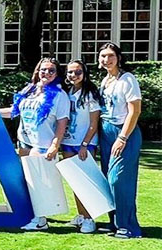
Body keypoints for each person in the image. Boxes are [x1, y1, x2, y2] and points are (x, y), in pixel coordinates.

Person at [0, 57, 70, 230]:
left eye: (51, 70)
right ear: (37, 71)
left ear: (57, 74)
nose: (46, 73)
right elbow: (15, 111)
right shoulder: (29, 90)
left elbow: (62, 122)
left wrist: (55, 145)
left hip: (42, 143)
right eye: (43, 69)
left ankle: (41, 220)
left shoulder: (60, 96)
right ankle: (30, 214)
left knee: (38, 181)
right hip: (24, 141)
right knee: (25, 180)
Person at [97, 42, 143, 238]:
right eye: (103, 56)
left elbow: (135, 110)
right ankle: (115, 223)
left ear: (118, 58)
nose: (106, 60)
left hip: (124, 132)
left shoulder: (127, 79)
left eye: (110, 56)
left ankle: (129, 227)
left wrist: (122, 137)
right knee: (108, 179)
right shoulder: (105, 81)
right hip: (105, 132)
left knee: (119, 180)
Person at [60, 60, 101, 233]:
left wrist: (85, 144)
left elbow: (94, 121)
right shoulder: (67, 91)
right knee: (75, 182)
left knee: (85, 181)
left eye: (77, 72)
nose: (73, 76)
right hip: (68, 142)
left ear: (84, 73)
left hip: (85, 143)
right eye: (70, 72)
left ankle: (89, 218)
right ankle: (81, 215)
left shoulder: (90, 93)